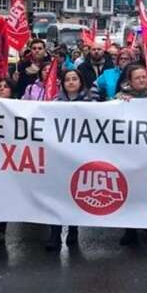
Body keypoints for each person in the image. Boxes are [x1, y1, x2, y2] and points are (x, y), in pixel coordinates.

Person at [115, 63, 147, 246]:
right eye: (138, 78)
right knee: (129, 191)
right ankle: (129, 230)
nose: (142, 80)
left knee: (146, 190)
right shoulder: (119, 98)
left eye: (144, 77)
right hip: (127, 153)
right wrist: (118, 104)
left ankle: (146, 221)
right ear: (129, 81)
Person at [47, 69, 90, 250]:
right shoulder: (54, 103)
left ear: (80, 82)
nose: (71, 82)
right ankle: (54, 234)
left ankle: (73, 230)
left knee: (75, 194)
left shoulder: (91, 103)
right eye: (67, 80)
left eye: (75, 79)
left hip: (79, 156)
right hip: (58, 155)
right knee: (56, 194)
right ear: (62, 84)